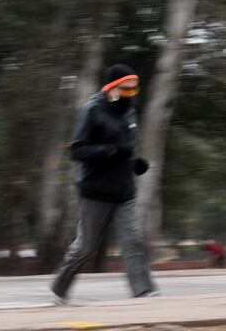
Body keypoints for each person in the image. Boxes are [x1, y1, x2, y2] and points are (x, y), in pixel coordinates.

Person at [50, 64, 160, 303]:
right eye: (126, 90)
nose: (131, 95)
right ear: (111, 89)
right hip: (95, 191)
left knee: (134, 242)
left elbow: (126, 149)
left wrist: (135, 162)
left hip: (124, 191)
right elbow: (78, 150)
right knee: (86, 247)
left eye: (134, 90)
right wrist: (110, 152)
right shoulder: (91, 110)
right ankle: (59, 287)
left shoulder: (129, 113)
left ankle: (144, 292)